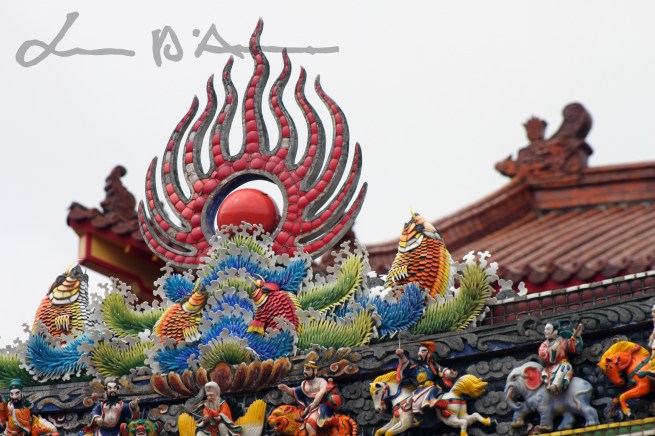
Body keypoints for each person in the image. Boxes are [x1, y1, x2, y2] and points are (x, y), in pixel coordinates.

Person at [277, 361, 341, 436]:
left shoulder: (321, 382)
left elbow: (320, 394)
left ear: (315, 371)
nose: (305, 372)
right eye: (304, 369)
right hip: (308, 408)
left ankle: (327, 421)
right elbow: (295, 392)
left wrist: (314, 404)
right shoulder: (304, 384)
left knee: (309, 423)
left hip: (321, 406)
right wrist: (287, 389)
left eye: (307, 369)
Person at [395, 341, 458, 411]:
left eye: (423, 351)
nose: (419, 353)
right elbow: (405, 363)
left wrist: (449, 373)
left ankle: (432, 402)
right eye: (419, 351)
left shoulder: (433, 366)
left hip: (432, 388)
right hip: (419, 390)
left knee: (426, 395)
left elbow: (442, 370)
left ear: (429, 354)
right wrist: (401, 356)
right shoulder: (415, 368)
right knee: (410, 402)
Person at [538, 321, 583, 394]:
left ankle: (556, 385)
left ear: (555, 332)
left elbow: (573, 347)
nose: (545, 331)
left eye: (548, 329)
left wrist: (576, 337)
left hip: (563, 364)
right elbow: (542, 353)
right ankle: (552, 385)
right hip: (551, 367)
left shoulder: (562, 341)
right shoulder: (545, 344)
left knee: (565, 366)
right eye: (545, 329)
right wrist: (552, 349)